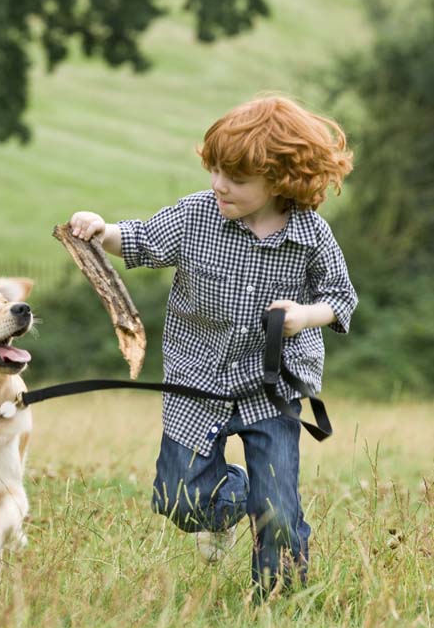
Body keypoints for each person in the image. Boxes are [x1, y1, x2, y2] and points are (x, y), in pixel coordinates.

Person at [69, 95, 358, 596]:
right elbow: (139, 239)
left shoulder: (312, 236)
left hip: (271, 388)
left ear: (282, 180)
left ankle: (280, 601)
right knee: (178, 496)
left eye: (237, 178)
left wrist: (304, 316)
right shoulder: (196, 216)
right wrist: (102, 231)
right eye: (216, 170)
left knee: (280, 509)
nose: (219, 184)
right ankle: (227, 504)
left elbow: (341, 297)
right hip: (196, 381)